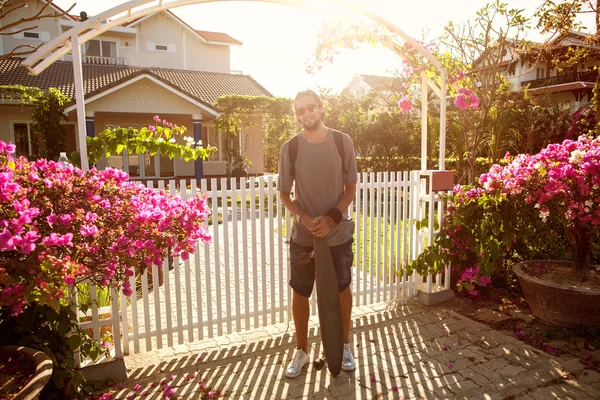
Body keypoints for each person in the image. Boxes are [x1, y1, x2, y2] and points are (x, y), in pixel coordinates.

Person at [277, 89, 358, 378]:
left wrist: (332, 218)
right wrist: (306, 218)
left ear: (321, 108)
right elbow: (285, 194)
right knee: (301, 292)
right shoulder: (291, 148)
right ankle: (301, 350)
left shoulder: (341, 141)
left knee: (341, 289)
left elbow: (350, 187)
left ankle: (343, 345)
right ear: (297, 114)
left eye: (310, 107)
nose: (306, 113)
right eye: (300, 110)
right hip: (304, 236)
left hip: (337, 235)